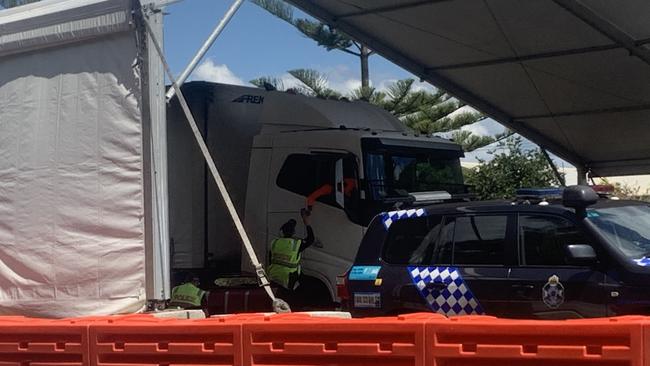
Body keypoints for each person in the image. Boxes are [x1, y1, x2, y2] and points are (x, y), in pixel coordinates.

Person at [267, 210, 315, 298]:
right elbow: (311, 239)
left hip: (273, 275)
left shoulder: (274, 242)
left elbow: (270, 259)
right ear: (293, 233)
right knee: (307, 287)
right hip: (288, 278)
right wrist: (306, 221)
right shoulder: (296, 244)